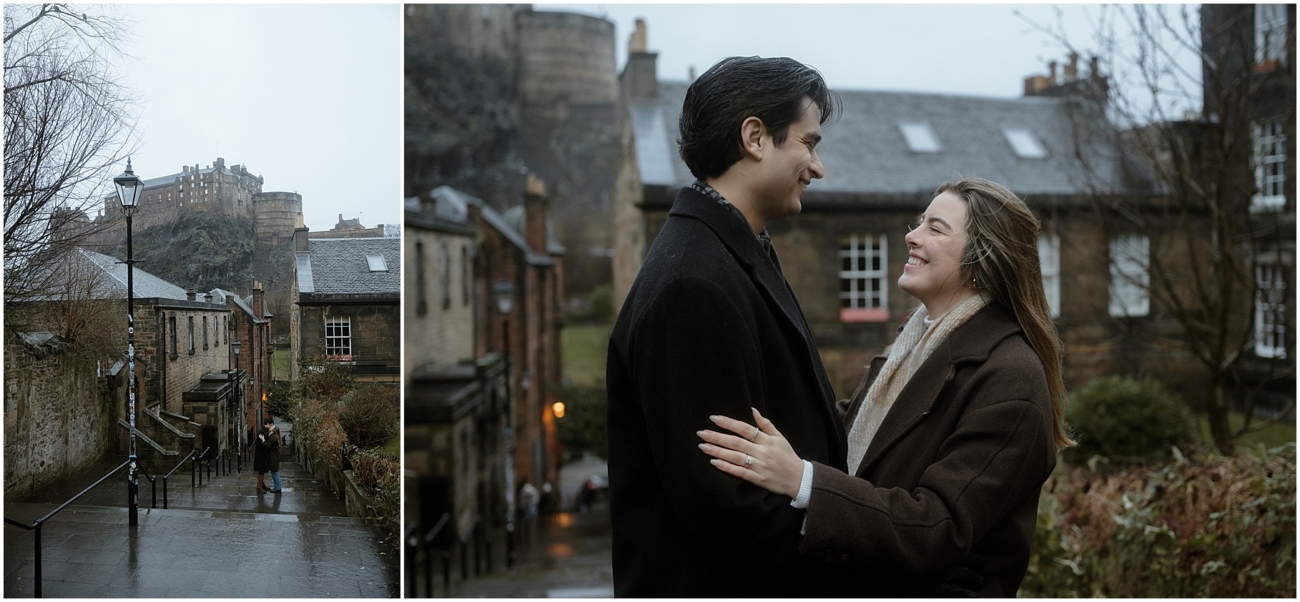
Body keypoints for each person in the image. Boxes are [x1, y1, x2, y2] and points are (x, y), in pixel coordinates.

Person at [698, 177, 1075, 597]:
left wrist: (803, 480)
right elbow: (843, 429)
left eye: (935, 228)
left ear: (984, 256)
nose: (912, 237)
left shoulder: (1011, 378)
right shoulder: (916, 342)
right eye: (920, 223)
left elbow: (937, 529)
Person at [606, 55, 852, 597]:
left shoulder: (729, 253)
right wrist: (860, 567)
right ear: (755, 137)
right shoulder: (692, 285)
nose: (818, 167)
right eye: (808, 143)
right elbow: (730, 511)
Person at [261, 420, 282, 493]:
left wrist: (263, 440)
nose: (270, 426)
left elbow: (267, 446)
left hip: (273, 457)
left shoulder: (273, 437)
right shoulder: (274, 436)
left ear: (273, 430)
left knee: (274, 472)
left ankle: (278, 488)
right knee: (275, 472)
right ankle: (278, 486)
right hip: (274, 456)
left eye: (272, 426)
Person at [252, 422, 269, 493]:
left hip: (262, 455)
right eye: (270, 425)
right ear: (267, 424)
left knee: (262, 471)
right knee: (261, 471)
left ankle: (262, 484)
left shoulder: (263, 430)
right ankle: (259, 486)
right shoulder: (262, 431)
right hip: (261, 455)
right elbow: (260, 444)